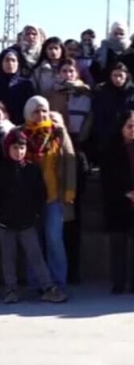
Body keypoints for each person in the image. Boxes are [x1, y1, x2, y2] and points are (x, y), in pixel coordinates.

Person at [0, 128, 68, 304]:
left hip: (27, 222)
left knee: (35, 256)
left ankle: (48, 287)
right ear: (7, 148)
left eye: (22, 148)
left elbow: (40, 194)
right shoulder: (2, 169)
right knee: (8, 257)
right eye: (15, 148)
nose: (19, 152)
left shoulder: (31, 169)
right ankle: (11, 289)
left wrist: (35, 213)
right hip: (5, 223)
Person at [21, 96, 77, 292]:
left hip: (54, 196)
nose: (41, 115)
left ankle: (58, 283)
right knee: (33, 242)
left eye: (44, 110)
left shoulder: (57, 132)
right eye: (36, 111)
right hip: (29, 199)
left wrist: (69, 190)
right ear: (28, 113)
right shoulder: (21, 134)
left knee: (54, 240)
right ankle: (37, 283)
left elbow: (70, 159)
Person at [100, 110, 134, 295]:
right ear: (121, 127)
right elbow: (106, 176)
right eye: (129, 126)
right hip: (117, 202)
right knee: (118, 244)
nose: (133, 130)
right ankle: (118, 282)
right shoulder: (110, 146)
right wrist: (125, 193)